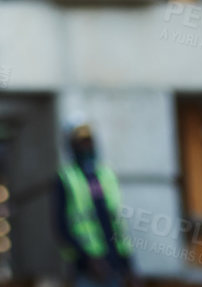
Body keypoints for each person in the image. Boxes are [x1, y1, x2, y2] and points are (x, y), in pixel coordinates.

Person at [54, 121, 135, 287]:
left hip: (114, 264)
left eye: (89, 142)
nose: (86, 147)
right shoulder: (66, 178)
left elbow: (117, 224)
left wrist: (129, 266)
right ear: (73, 148)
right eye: (81, 144)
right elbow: (61, 228)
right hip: (87, 268)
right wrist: (88, 259)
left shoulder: (107, 175)